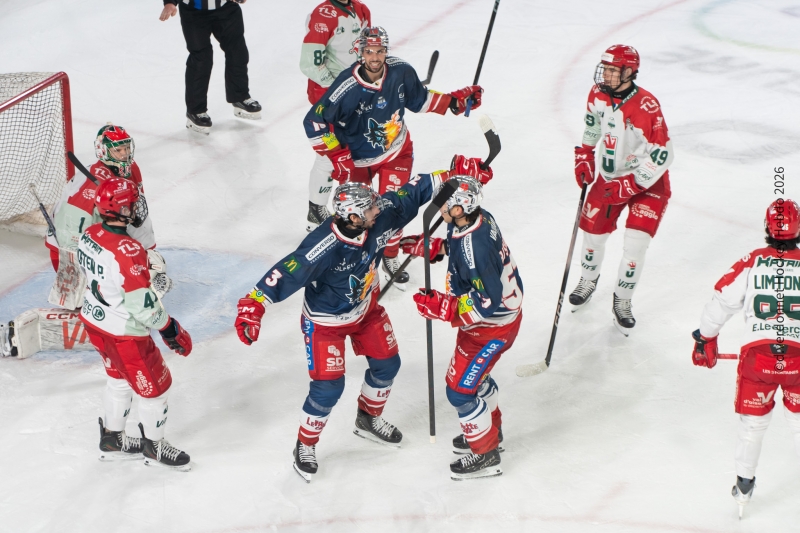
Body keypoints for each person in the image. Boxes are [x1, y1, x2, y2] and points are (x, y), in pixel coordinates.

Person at [234, 168, 450, 482]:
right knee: (328, 387)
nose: (378, 210)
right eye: (369, 210)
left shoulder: (379, 216)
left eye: (375, 205)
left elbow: (411, 191)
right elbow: (285, 272)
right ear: (352, 217)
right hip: (326, 323)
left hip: (366, 309)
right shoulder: (321, 246)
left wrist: (454, 175)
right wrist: (253, 305)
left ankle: (368, 418)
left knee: (388, 366)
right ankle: (305, 444)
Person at [303, 26, 483, 289]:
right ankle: (361, 265)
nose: (375, 58)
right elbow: (314, 123)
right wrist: (338, 155)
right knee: (364, 217)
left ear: (386, 51)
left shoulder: (400, 70)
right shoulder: (346, 85)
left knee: (395, 207)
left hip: (397, 152)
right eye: (369, 52)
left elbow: (419, 100)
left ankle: (390, 256)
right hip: (357, 161)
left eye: (379, 51)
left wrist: (453, 103)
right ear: (360, 52)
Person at [0, 126, 171, 360]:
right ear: (104, 151)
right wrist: (87, 276)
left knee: (149, 266)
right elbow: (71, 240)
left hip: (107, 232)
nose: (125, 155)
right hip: (69, 247)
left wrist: (140, 254)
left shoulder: (131, 170)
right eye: (119, 150)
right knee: (97, 300)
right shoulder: (87, 192)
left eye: (126, 148)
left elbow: (136, 213)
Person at [401, 169, 522, 480]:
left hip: (491, 326)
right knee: (475, 380)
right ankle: (489, 433)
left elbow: (486, 299)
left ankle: (486, 454)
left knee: (459, 392)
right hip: (489, 323)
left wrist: (444, 306)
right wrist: (437, 247)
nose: (440, 207)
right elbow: (464, 250)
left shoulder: (474, 246)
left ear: (458, 209)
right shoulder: (475, 220)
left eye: (445, 204)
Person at [692, 199, 800, 518]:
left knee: (753, 426)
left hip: (759, 358)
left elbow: (721, 302)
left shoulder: (754, 260)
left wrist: (705, 339)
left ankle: (744, 484)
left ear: (767, 228)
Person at [77, 177, 193, 470]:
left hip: (95, 322)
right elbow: (142, 307)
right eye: (131, 203)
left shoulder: (89, 233)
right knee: (155, 390)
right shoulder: (128, 251)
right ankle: (154, 449)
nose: (136, 207)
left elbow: (108, 280)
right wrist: (169, 328)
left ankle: (112, 440)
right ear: (118, 210)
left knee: (117, 380)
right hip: (125, 335)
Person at [568, 45, 674, 334]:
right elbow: (592, 126)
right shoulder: (597, 94)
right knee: (592, 235)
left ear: (629, 72)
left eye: (614, 70)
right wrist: (585, 155)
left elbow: (663, 153)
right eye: (606, 68)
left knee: (635, 246)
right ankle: (588, 280)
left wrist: (632, 184)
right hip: (610, 176)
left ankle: (622, 300)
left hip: (648, 183)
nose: (606, 74)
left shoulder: (646, 106)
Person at [300, 0, 371, 232]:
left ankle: (346, 206)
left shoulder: (361, 10)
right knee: (330, 153)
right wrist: (340, 88)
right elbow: (310, 64)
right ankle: (316, 211)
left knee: (351, 148)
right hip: (327, 99)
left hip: (354, 93)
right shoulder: (324, 16)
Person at [159, 0, 261, 135]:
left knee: (238, 51)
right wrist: (170, 2)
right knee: (201, 58)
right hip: (194, 12)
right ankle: (195, 111)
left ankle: (239, 97)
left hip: (227, 8)